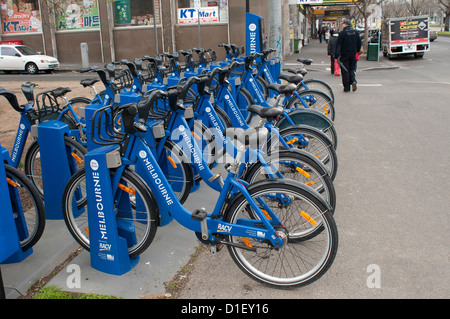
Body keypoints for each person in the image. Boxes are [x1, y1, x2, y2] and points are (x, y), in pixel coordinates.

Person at [335, 19, 362, 92]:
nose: (342, 25)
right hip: (353, 54)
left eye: (343, 24)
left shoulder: (342, 33)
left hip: (344, 55)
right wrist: (357, 50)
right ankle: (353, 80)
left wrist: (336, 55)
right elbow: (359, 42)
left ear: (345, 24)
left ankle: (347, 88)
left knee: (345, 71)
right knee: (351, 69)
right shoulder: (355, 32)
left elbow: (338, 45)